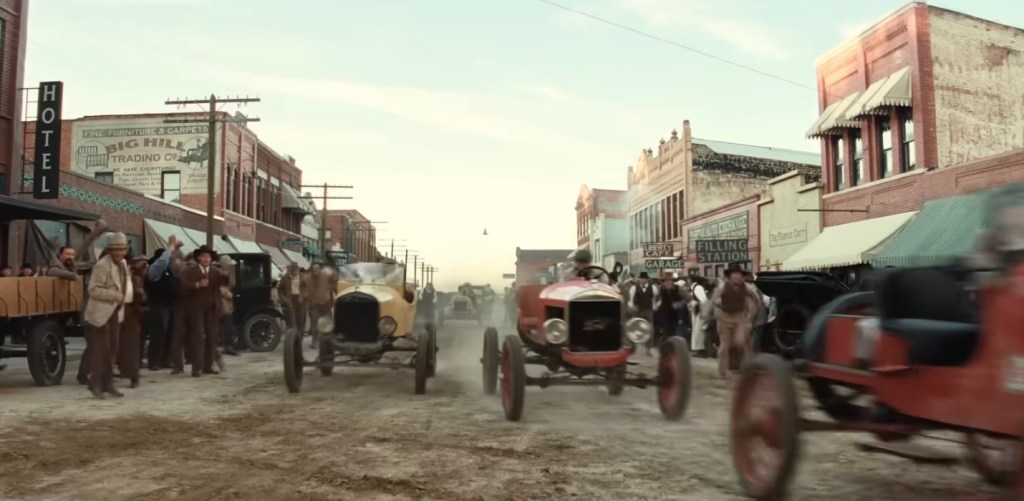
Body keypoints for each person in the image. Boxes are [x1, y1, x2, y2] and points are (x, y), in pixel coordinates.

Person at [82, 232, 131, 399]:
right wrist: (115, 295)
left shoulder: (123, 263)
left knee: (112, 350)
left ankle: (108, 384)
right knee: (100, 351)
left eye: (122, 249)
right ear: (110, 250)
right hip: (100, 314)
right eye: (116, 249)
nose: (119, 253)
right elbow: (93, 289)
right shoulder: (102, 265)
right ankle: (95, 385)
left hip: (115, 311)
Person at [701, 267, 765, 378]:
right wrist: (707, 314)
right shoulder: (722, 287)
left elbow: (756, 299)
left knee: (740, 342)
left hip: (740, 318)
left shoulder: (747, 287)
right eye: (734, 274)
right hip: (724, 319)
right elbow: (713, 300)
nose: (737, 277)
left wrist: (753, 314)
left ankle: (746, 368)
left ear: (742, 277)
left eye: (739, 274)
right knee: (725, 346)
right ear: (730, 277)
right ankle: (722, 371)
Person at [180, 245, 225, 377]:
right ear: (198, 258)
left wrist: (226, 272)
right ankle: (197, 367)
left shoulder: (215, 272)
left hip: (212, 309)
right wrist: (197, 285)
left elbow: (226, 284)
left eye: (208, 256)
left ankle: (208, 365)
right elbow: (183, 286)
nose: (206, 259)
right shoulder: (191, 272)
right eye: (203, 256)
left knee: (212, 337)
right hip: (196, 309)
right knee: (198, 336)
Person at [145, 236, 186, 372]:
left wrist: (176, 250)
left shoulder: (171, 271)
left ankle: (166, 359)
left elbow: (181, 264)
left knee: (171, 332)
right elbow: (162, 262)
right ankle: (154, 361)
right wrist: (171, 248)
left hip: (172, 304)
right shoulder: (155, 269)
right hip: (158, 304)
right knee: (158, 332)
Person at [117, 255, 148, 389]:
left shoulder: (136, 280)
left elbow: (143, 298)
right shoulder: (115, 280)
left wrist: (140, 294)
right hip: (115, 312)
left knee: (132, 346)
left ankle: (133, 375)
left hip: (131, 313)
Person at [304, 262, 336, 358]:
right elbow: (304, 291)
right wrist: (307, 303)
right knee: (315, 324)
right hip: (314, 305)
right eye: (314, 269)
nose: (316, 271)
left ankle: (329, 342)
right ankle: (315, 341)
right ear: (312, 270)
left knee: (328, 323)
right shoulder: (307, 279)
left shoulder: (326, 277)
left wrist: (333, 300)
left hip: (326, 303)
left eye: (317, 269)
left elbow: (332, 289)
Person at [627, 272, 660, 355]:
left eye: (644, 279)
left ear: (647, 279)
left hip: (648, 310)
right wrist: (632, 307)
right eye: (641, 279)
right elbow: (631, 299)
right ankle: (633, 348)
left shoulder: (653, 287)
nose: (643, 280)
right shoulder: (634, 288)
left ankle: (648, 349)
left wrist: (655, 306)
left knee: (649, 329)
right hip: (638, 310)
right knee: (635, 328)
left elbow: (656, 298)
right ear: (639, 279)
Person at [217, 255, 240, 357]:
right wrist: (226, 293)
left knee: (228, 326)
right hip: (220, 303)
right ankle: (223, 346)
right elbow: (217, 287)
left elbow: (232, 284)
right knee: (222, 326)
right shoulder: (218, 273)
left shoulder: (228, 273)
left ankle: (228, 346)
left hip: (227, 304)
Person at [277, 262, 306, 335]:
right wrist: (284, 298)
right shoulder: (285, 277)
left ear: (298, 269)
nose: (293, 272)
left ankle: (300, 337)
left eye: (295, 270)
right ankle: (293, 337)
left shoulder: (303, 277)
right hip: (290, 299)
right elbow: (279, 289)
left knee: (300, 320)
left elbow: (308, 288)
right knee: (291, 321)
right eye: (292, 270)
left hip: (300, 300)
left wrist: (303, 295)